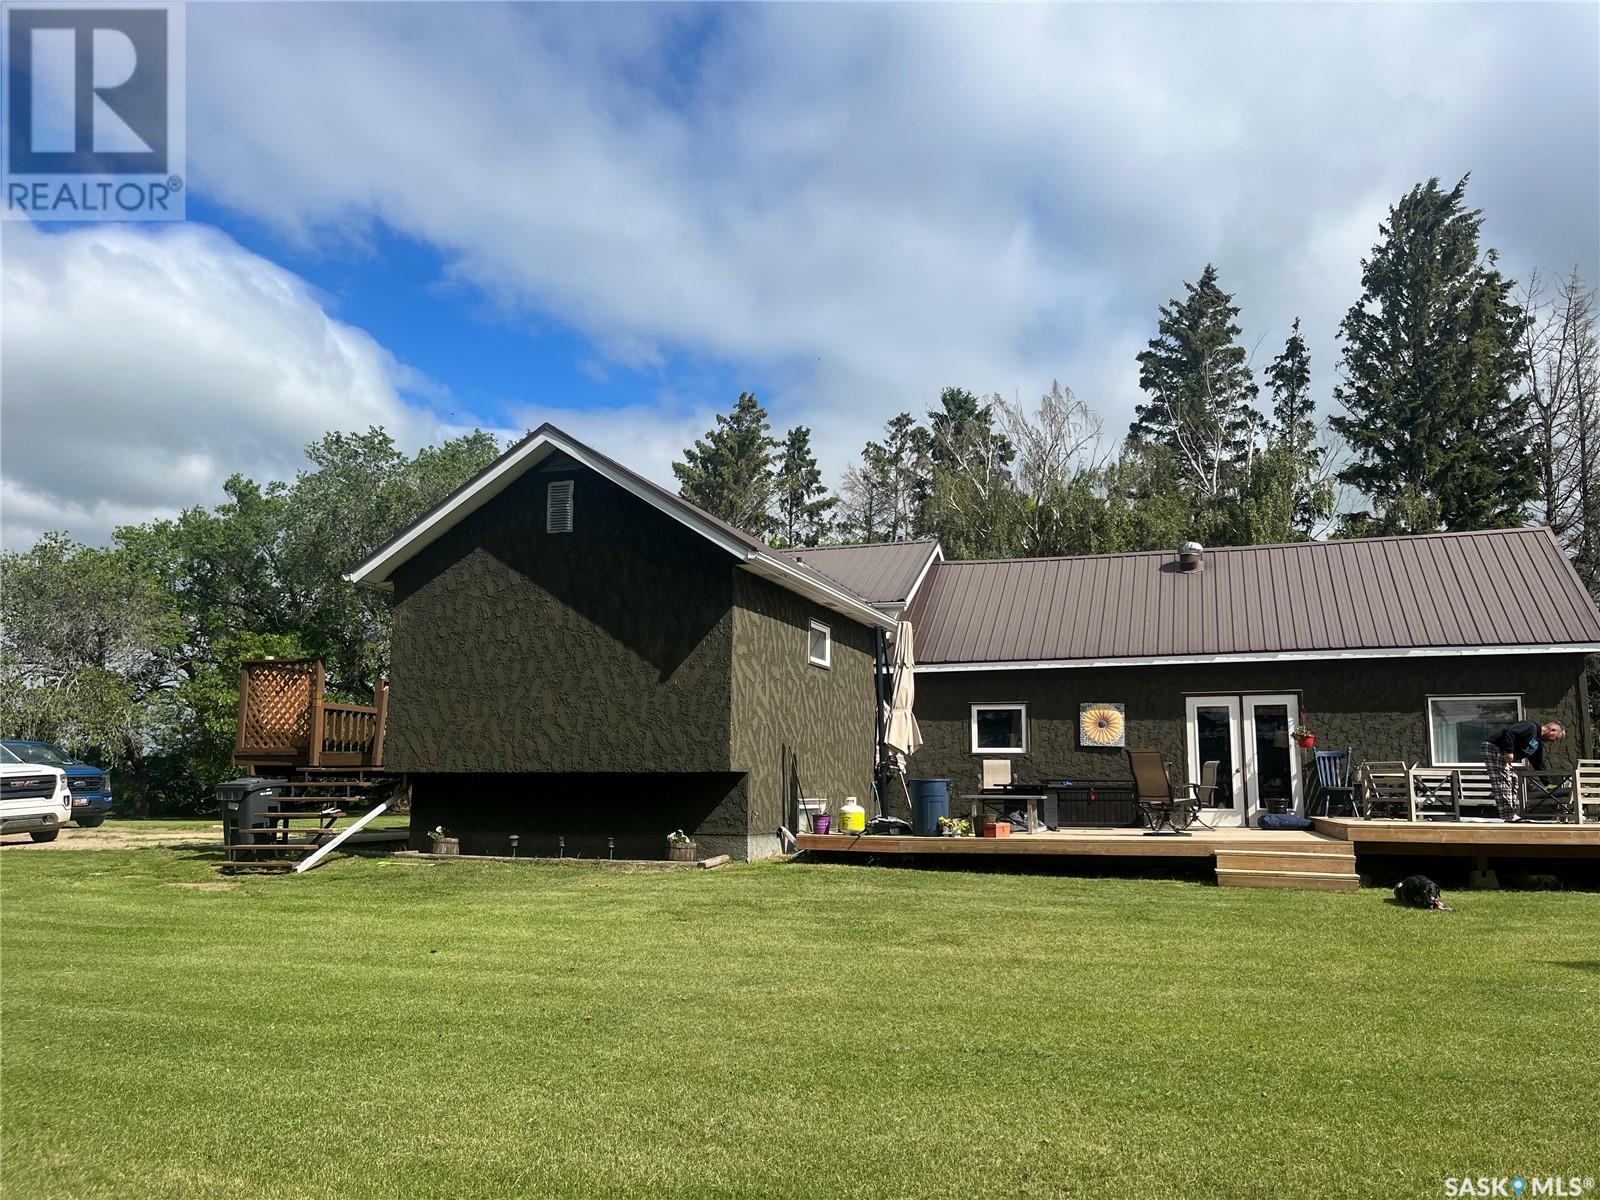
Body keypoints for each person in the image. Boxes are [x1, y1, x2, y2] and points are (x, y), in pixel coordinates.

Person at [1482, 720, 1566, 822]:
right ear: (1552, 730)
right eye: (1555, 738)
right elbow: (1508, 731)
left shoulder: (1537, 745)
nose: (1553, 741)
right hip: (1494, 747)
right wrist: (1509, 751)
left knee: (1513, 780)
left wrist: (1548, 784)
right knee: (1503, 781)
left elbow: (1538, 764)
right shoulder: (1531, 727)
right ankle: (1508, 815)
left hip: (1502, 753)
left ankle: (1510, 814)